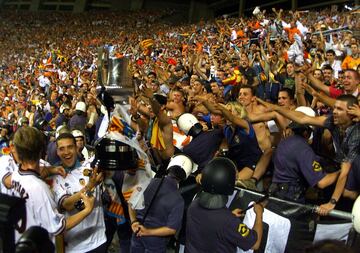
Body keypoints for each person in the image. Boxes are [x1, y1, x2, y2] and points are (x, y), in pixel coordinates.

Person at [258, 94, 360, 215]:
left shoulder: (356, 133)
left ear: (352, 113)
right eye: (335, 108)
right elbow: (303, 119)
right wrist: (277, 108)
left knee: (348, 192)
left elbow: (345, 171)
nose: (335, 112)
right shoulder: (332, 121)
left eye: (340, 109)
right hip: (344, 168)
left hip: (352, 172)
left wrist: (332, 203)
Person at [6, 127, 95, 241]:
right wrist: (87, 210)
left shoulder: (14, 176)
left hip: (18, 239)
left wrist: (52, 170)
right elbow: (59, 227)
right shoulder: (39, 188)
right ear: (41, 152)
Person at [186, 157, 264, 252]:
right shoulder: (229, 221)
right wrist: (259, 214)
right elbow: (255, 244)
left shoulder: (194, 205)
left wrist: (229, 215)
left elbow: (212, 222)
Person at [270, 107, 339, 203]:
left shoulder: (283, 142)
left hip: (276, 192)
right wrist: (341, 172)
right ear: (306, 132)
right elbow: (322, 183)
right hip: (291, 197)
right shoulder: (303, 148)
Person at [129, 154, 196, 253]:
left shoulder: (148, 182)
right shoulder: (178, 200)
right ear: (185, 176)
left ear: (169, 167)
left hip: (137, 232)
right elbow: (171, 229)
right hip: (155, 242)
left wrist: (134, 222)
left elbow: (131, 202)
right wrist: (147, 232)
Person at [52, 132, 106, 252]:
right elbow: (67, 204)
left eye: (70, 147)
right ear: (57, 152)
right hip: (76, 248)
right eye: (62, 149)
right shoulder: (56, 178)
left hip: (100, 240)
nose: (66, 152)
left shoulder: (90, 166)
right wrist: (89, 186)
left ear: (77, 148)